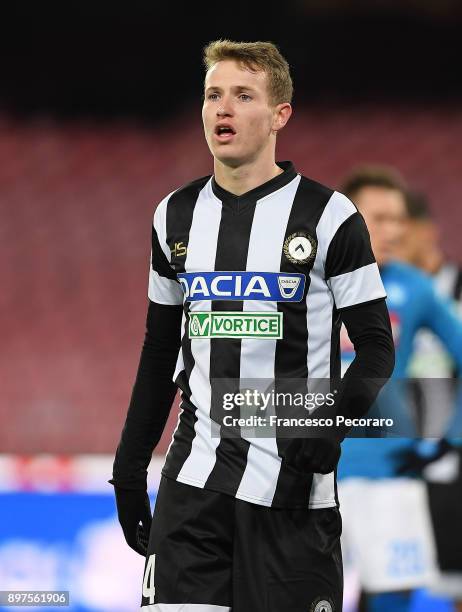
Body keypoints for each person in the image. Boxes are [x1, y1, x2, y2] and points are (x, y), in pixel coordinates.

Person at [110, 41, 395, 612]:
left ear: (279, 116)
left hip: (292, 493)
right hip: (193, 485)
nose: (224, 109)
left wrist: (330, 429)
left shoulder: (330, 216)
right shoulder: (174, 216)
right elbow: (160, 349)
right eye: (214, 95)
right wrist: (128, 465)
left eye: (243, 96)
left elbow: (375, 348)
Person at [337, 167, 462, 612]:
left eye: (398, 219)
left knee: (392, 600)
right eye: (379, 217)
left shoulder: (415, 288)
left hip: (388, 471)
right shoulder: (300, 284)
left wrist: (447, 438)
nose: (392, 230)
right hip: (301, 473)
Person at [397, 190, 462, 612]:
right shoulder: (383, 297)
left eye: (402, 230)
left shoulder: (455, 291)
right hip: (401, 458)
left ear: (425, 231)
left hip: (452, 459)